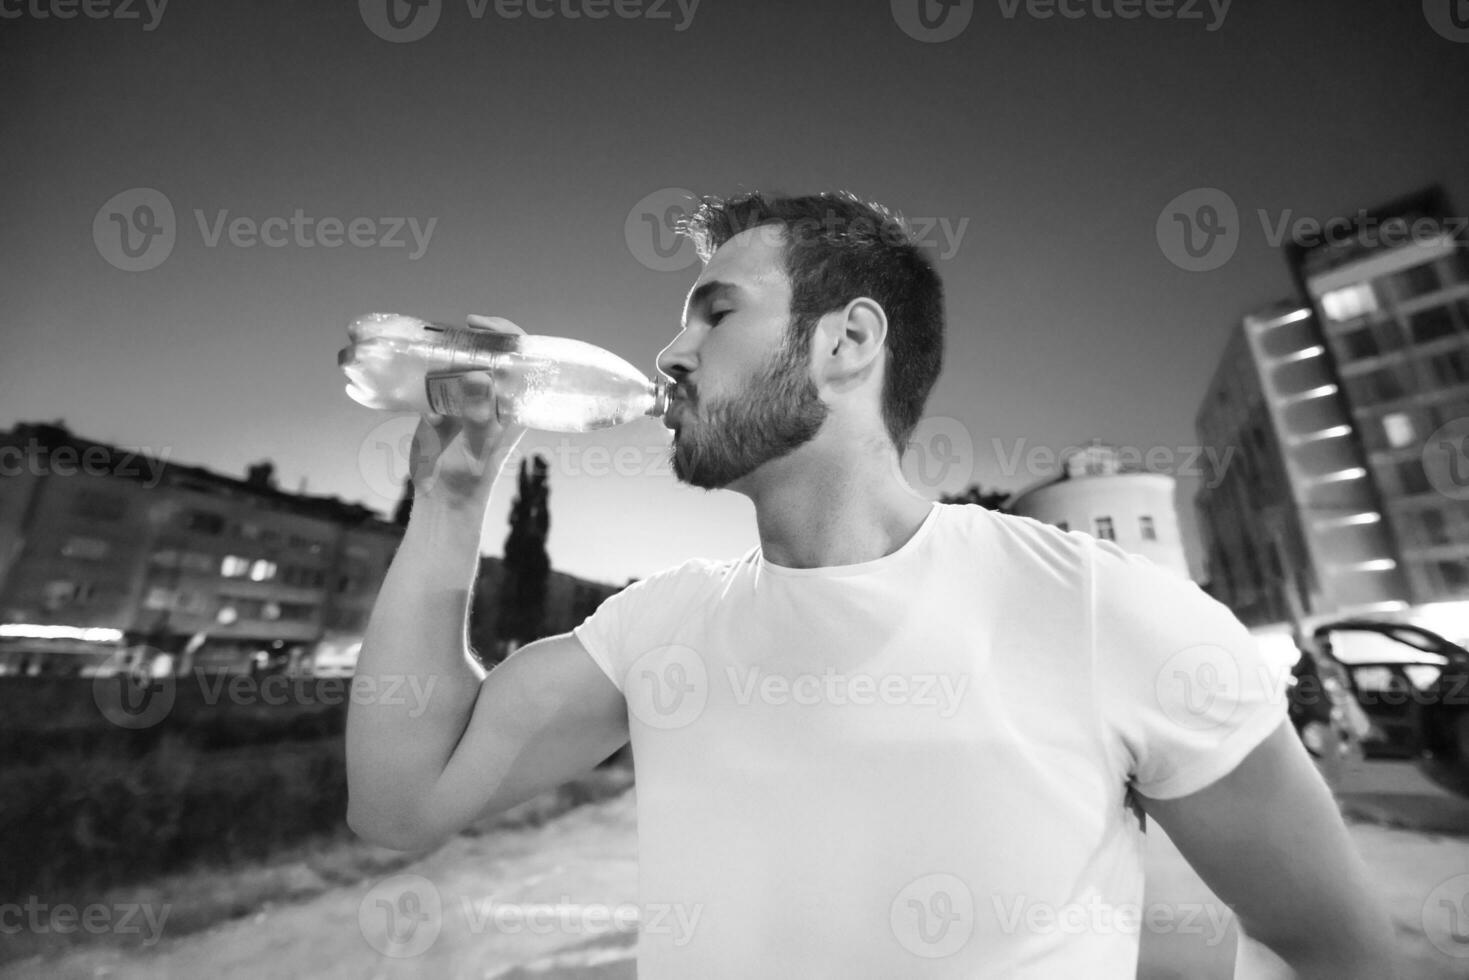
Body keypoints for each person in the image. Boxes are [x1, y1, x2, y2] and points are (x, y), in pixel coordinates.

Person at [345, 192, 1400, 978]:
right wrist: (449, 500)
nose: (668, 351)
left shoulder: (1097, 608)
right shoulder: (660, 627)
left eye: (713, 312)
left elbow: (1337, 951)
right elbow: (400, 802)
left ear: (846, 342)